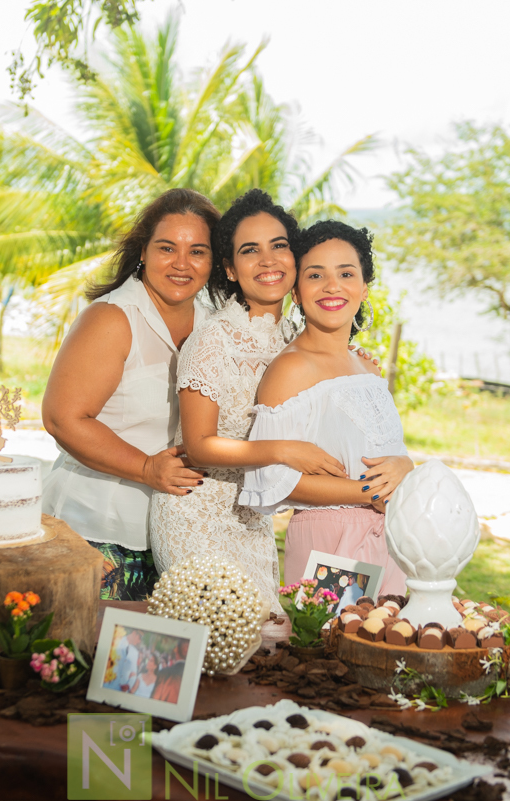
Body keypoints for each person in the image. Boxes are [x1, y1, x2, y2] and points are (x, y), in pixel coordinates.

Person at [148, 190, 347, 614]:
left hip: (253, 524)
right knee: (222, 638)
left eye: (279, 246)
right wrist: (285, 451)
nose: (269, 260)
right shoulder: (212, 338)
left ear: (295, 259)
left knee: (265, 645)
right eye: (250, 250)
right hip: (195, 515)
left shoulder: (297, 342)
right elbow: (199, 446)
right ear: (231, 270)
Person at [42, 189, 218, 600]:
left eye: (198, 251)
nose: (181, 263)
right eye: (166, 248)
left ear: (214, 261)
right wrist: (146, 468)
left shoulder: (215, 324)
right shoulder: (112, 318)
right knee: (85, 658)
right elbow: (62, 418)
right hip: (97, 533)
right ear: (143, 251)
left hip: (175, 538)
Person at [241, 221, 415, 596]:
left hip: (392, 539)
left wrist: (406, 466)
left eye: (346, 273)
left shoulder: (367, 367)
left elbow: (380, 451)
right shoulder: (291, 369)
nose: (332, 286)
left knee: (395, 646)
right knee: (330, 648)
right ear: (298, 292)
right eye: (316, 274)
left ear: (364, 288)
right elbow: (273, 482)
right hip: (331, 544)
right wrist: (368, 493)